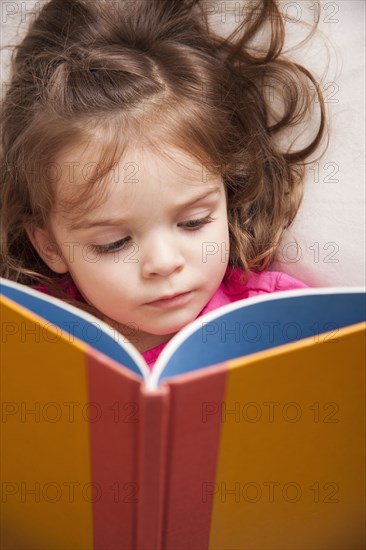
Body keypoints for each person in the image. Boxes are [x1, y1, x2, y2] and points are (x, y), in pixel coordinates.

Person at [0, 0, 326, 369]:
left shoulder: (282, 320)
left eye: (194, 221)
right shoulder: (24, 336)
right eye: (114, 243)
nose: (164, 263)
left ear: (226, 193)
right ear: (50, 247)